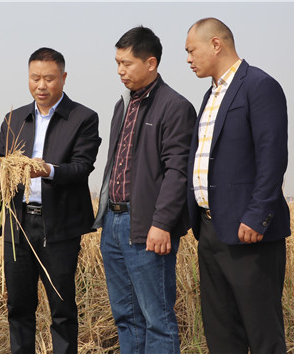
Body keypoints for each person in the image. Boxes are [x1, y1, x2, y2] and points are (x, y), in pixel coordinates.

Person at [0, 47, 101, 354]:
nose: (41, 85)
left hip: (59, 227)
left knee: (62, 309)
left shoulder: (83, 118)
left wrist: (47, 169)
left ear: (63, 77)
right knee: (18, 307)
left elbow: (81, 167)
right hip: (18, 227)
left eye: (49, 78)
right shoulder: (14, 118)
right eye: (35, 78)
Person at [185, 18, 290, 353]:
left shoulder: (259, 86)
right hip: (211, 231)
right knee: (221, 335)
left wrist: (257, 215)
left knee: (262, 334)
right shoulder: (211, 95)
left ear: (216, 44)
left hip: (249, 234)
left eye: (191, 51)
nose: (188, 59)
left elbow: (271, 155)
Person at [93, 27, 196, 353]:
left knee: (157, 318)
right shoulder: (121, 106)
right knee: (126, 316)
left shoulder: (174, 106)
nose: (120, 70)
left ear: (151, 63)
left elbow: (177, 172)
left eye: (127, 63)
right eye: (117, 63)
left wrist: (162, 223)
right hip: (113, 224)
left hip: (148, 226)